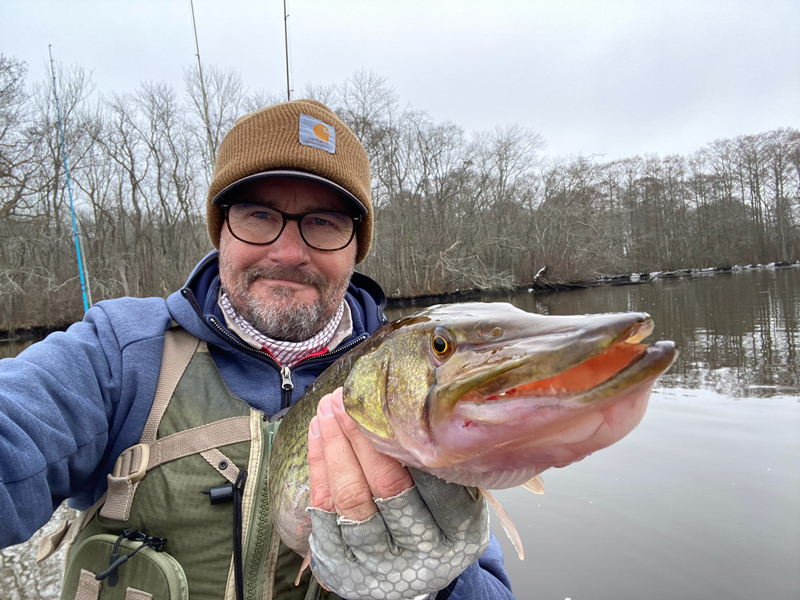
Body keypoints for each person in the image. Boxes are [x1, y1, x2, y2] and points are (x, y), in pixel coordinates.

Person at [0, 99, 515, 599]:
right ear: (221, 228)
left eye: (324, 222)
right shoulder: (117, 351)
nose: (289, 252)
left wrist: (437, 582)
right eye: (258, 215)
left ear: (356, 246)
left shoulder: (409, 380)